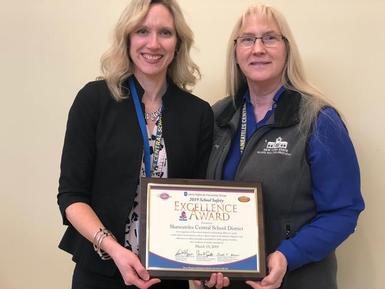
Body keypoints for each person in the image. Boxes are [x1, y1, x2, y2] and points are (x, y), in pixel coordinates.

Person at [201, 3, 365, 289]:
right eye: (248, 39)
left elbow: (343, 212)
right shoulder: (218, 116)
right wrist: (201, 264)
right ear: (236, 52)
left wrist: (288, 255)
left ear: (287, 48)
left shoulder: (318, 119)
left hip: (297, 280)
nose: (258, 48)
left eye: (270, 38)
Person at [57, 1, 213, 289]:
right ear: (127, 38)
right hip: (101, 270)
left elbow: (200, 200)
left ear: (177, 43)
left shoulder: (199, 114)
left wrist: (205, 264)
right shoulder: (94, 101)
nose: (153, 43)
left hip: (168, 276)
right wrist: (114, 250)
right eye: (142, 31)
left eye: (165, 32)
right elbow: (71, 196)